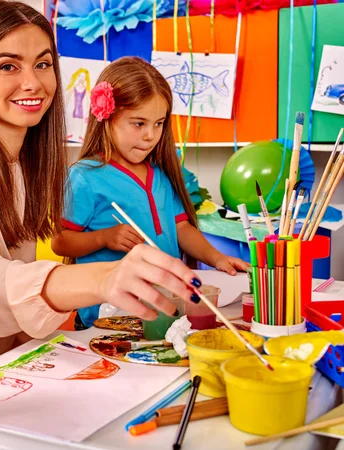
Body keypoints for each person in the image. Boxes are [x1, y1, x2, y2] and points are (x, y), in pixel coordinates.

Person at [0, 0, 203, 370]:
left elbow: (12, 295)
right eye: (8, 66)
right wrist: (104, 277)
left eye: (43, 64)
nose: (33, 83)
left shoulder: (28, 164)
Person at [51, 57, 249, 329]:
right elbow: (60, 242)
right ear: (106, 117)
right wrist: (104, 238)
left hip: (163, 310)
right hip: (109, 320)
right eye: (138, 123)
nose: (150, 136)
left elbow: (180, 227)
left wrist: (217, 258)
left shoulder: (161, 172)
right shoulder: (85, 176)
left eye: (158, 124)